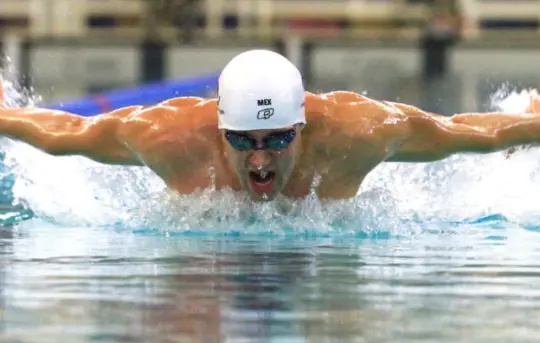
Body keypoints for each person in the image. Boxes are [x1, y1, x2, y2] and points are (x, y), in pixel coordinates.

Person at [0, 49, 539, 202]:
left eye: (278, 139)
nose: (260, 159)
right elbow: (62, 132)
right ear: (219, 129)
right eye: (243, 141)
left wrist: (529, 125)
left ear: (303, 125)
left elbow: (466, 132)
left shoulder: (357, 132)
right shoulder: (167, 135)